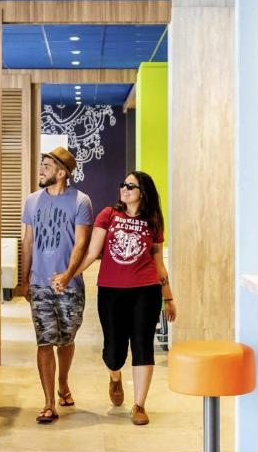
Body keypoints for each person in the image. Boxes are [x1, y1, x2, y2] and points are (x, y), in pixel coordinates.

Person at [57, 170, 175, 426]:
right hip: (111, 291)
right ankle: (115, 376)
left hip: (146, 290)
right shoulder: (108, 215)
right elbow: (91, 253)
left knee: (143, 345)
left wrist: (168, 297)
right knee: (114, 351)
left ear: (142, 192)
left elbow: (158, 264)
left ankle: (139, 405)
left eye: (130, 186)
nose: (124, 189)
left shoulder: (153, 221)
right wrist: (68, 276)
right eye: (123, 184)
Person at [15, 146, 93, 425]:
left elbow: (82, 243)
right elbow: (27, 241)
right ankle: (49, 402)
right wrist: (24, 280)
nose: (41, 170)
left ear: (62, 172)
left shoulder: (81, 201)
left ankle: (63, 382)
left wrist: (68, 274)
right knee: (45, 341)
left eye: (47, 166)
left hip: (70, 285)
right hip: (39, 283)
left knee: (67, 339)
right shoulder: (32, 201)